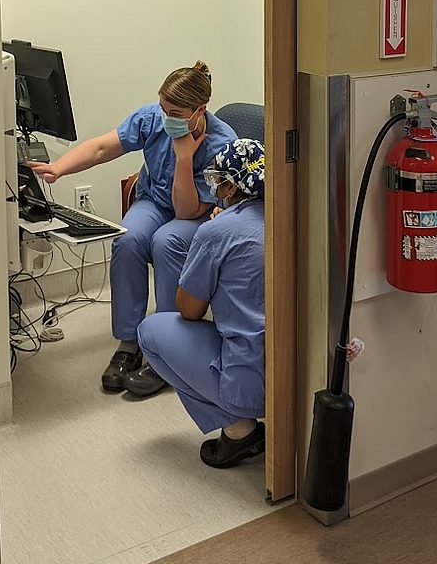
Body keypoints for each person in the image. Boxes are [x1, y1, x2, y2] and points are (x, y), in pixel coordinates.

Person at [26, 62, 236, 396]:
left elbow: (186, 210)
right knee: (129, 238)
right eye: (164, 108)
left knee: (167, 243)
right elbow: (101, 147)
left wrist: (184, 158)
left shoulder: (222, 144)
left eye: (176, 112)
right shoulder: (153, 119)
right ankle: (130, 342)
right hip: (154, 201)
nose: (167, 117)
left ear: (200, 111)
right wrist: (58, 169)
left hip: (197, 214)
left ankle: (166, 350)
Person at [137, 139, 266, 469]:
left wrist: (210, 234)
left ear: (228, 184)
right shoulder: (289, 217)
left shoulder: (217, 231)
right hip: (295, 376)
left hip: (248, 383)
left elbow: (189, 309)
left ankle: (239, 430)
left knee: (150, 331)